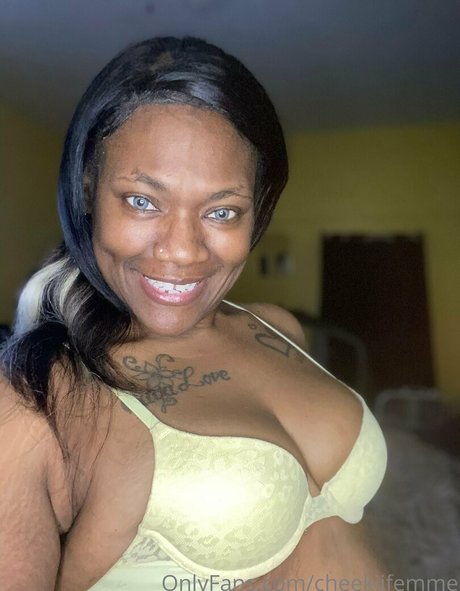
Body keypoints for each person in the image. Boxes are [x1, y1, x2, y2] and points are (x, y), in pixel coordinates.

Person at [0, 37, 387, 591]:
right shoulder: (33, 400)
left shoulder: (277, 327)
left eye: (222, 211)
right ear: (87, 191)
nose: (182, 251)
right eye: (142, 201)